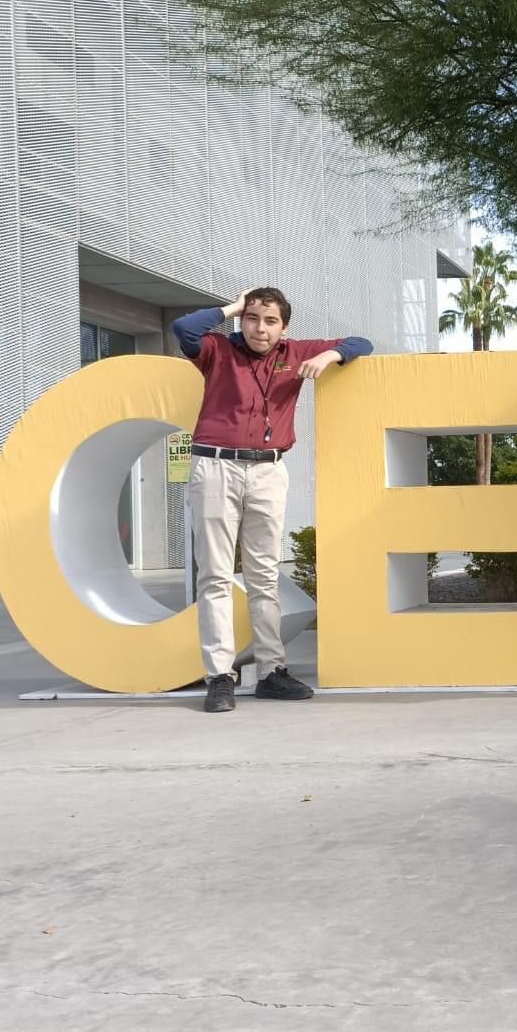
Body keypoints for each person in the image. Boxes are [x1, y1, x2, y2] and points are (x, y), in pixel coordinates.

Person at [173, 288, 373, 713]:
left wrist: (331, 356)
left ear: (283, 326)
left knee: (265, 573)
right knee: (215, 576)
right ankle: (220, 677)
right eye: (251, 319)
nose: (259, 329)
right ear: (241, 319)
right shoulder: (216, 350)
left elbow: (362, 343)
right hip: (215, 467)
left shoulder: (295, 352)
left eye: (269, 321)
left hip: (268, 470)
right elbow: (183, 327)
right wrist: (232, 305)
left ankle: (270, 672)